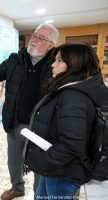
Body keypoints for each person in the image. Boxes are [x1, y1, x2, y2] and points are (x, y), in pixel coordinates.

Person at [0, 23, 59, 200]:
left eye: (41, 38)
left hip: (42, 126)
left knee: (40, 163)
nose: (34, 40)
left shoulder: (56, 64)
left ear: (51, 45)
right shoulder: (15, 59)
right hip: (16, 121)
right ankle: (17, 188)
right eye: (34, 35)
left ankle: (38, 194)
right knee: (14, 160)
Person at [24, 42, 108, 199]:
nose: (53, 65)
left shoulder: (73, 97)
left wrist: (42, 161)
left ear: (75, 65)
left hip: (62, 172)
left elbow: (70, 146)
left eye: (59, 60)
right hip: (56, 168)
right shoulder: (70, 88)